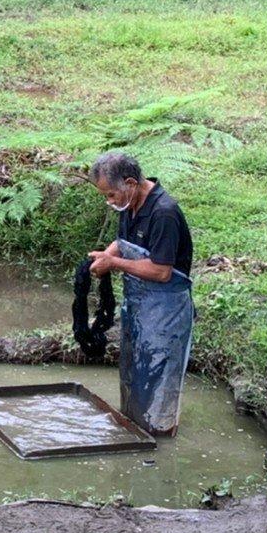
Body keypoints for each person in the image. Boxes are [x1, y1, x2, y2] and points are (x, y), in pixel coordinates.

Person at [86, 151, 194, 435]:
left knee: (158, 382)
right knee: (134, 378)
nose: (109, 202)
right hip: (138, 311)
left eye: (111, 195)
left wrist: (114, 264)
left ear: (131, 183)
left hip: (165, 315)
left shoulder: (164, 213)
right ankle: (135, 428)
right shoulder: (131, 205)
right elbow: (123, 243)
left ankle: (159, 439)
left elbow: (161, 271)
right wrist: (105, 256)